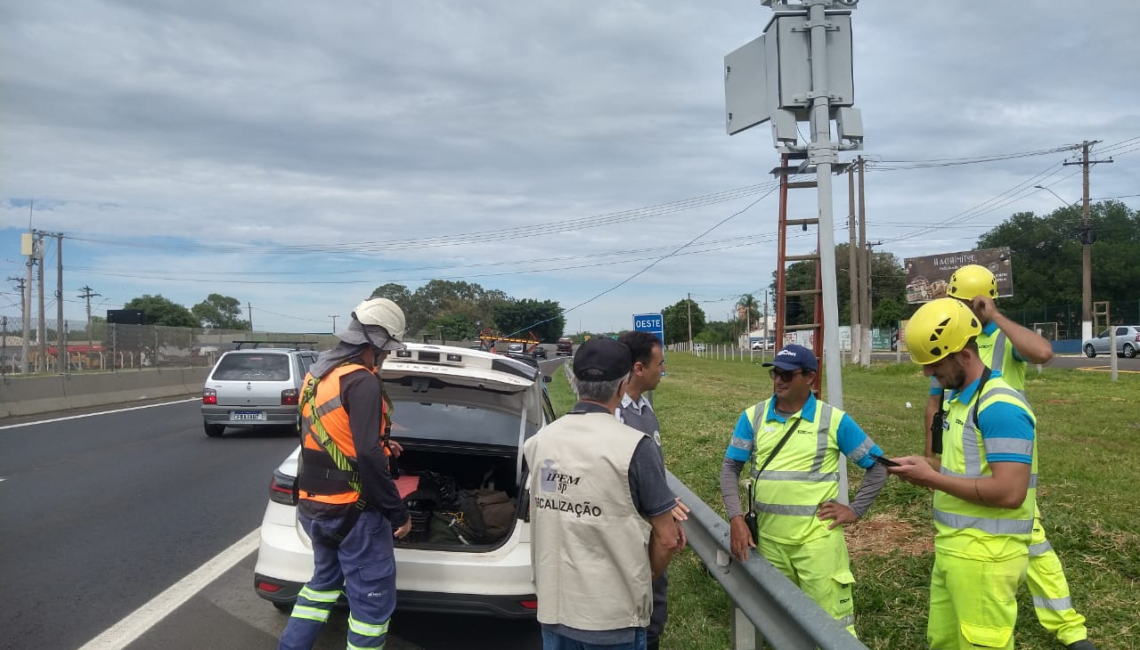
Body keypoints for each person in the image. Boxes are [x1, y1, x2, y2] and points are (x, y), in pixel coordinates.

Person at [923, 265, 1095, 650]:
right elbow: (936, 401)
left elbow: (1044, 353)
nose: (962, 309)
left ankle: (1069, 628)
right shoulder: (952, 339)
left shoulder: (1002, 336)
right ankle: (1066, 625)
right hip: (966, 439)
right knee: (1019, 536)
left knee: (1026, 536)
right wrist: (932, 456)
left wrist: (996, 317)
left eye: (967, 303)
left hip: (1008, 444)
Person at [891, 298, 1038, 650]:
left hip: (986, 557)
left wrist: (932, 478)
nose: (928, 374)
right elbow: (962, 470)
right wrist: (925, 466)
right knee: (942, 641)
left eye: (935, 364)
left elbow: (1009, 492)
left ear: (964, 355)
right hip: (956, 550)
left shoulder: (1000, 407)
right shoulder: (960, 401)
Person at [524, 338, 684, 650]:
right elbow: (667, 539)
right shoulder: (635, 446)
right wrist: (642, 580)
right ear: (623, 385)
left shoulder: (539, 442)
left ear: (575, 381)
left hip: (555, 612)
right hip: (614, 621)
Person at [721, 344, 887, 637]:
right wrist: (735, 518)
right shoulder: (753, 417)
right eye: (775, 373)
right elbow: (730, 468)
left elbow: (878, 466)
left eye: (787, 374)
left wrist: (855, 510)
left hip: (817, 545)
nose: (778, 380)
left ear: (810, 377)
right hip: (769, 544)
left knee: (832, 629)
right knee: (782, 629)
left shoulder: (833, 420)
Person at [278, 298, 413, 650]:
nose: (386, 356)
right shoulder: (361, 380)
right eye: (387, 349)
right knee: (371, 608)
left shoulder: (317, 376)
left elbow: (329, 434)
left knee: (321, 586)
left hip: (313, 507)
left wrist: (383, 444)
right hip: (353, 512)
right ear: (375, 344)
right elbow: (367, 456)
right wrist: (397, 513)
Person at [614, 331, 688, 650]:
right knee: (638, 618)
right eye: (660, 364)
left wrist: (665, 506)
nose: (664, 370)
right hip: (631, 535)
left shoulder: (645, 409)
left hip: (654, 528)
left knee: (655, 614)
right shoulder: (616, 416)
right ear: (639, 368)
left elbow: (650, 472)